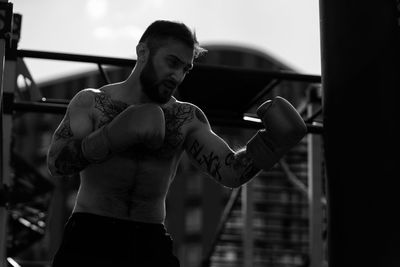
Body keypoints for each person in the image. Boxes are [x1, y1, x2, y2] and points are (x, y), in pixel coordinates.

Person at [46, 20, 307, 267]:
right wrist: (109, 136)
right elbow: (56, 163)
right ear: (142, 51)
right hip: (91, 234)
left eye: (185, 68)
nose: (178, 75)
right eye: (172, 62)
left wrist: (270, 144)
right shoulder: (92, 102)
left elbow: (231, 172)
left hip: (149, 240)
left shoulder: (185, 118)